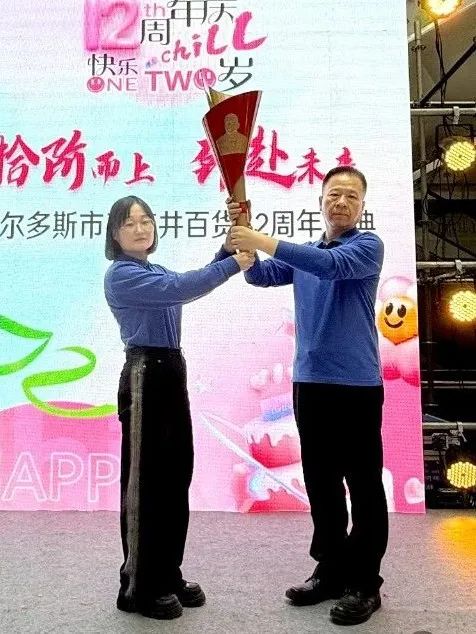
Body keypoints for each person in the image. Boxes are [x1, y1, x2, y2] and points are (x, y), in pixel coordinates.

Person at [227, 166, 388, 626]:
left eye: (351, 196)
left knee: (363, 484)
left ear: (362, 206)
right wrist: (243, 247)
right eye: (334, 194)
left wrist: (259, 238)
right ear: (320, 201)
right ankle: (331, 570)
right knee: (320, 481)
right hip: (310, 383)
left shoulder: (366, 247)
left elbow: (328, 267)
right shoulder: (306, 252)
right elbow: (260, 276)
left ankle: (365, 583)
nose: (342, 202)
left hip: (356, 385)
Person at [104, 195, 254, 620]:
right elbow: (182, 288)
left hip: (171, 372)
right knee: (145, 487)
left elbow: (188, 279)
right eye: (129, 223)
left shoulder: (154, 270)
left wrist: (228, 247)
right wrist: (233, 263)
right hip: (144, 376)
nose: (140, 228)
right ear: (114, 234)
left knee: (174, 480)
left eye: (146, 220)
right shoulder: (122, 275)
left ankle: (166, 573)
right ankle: (137, 587)